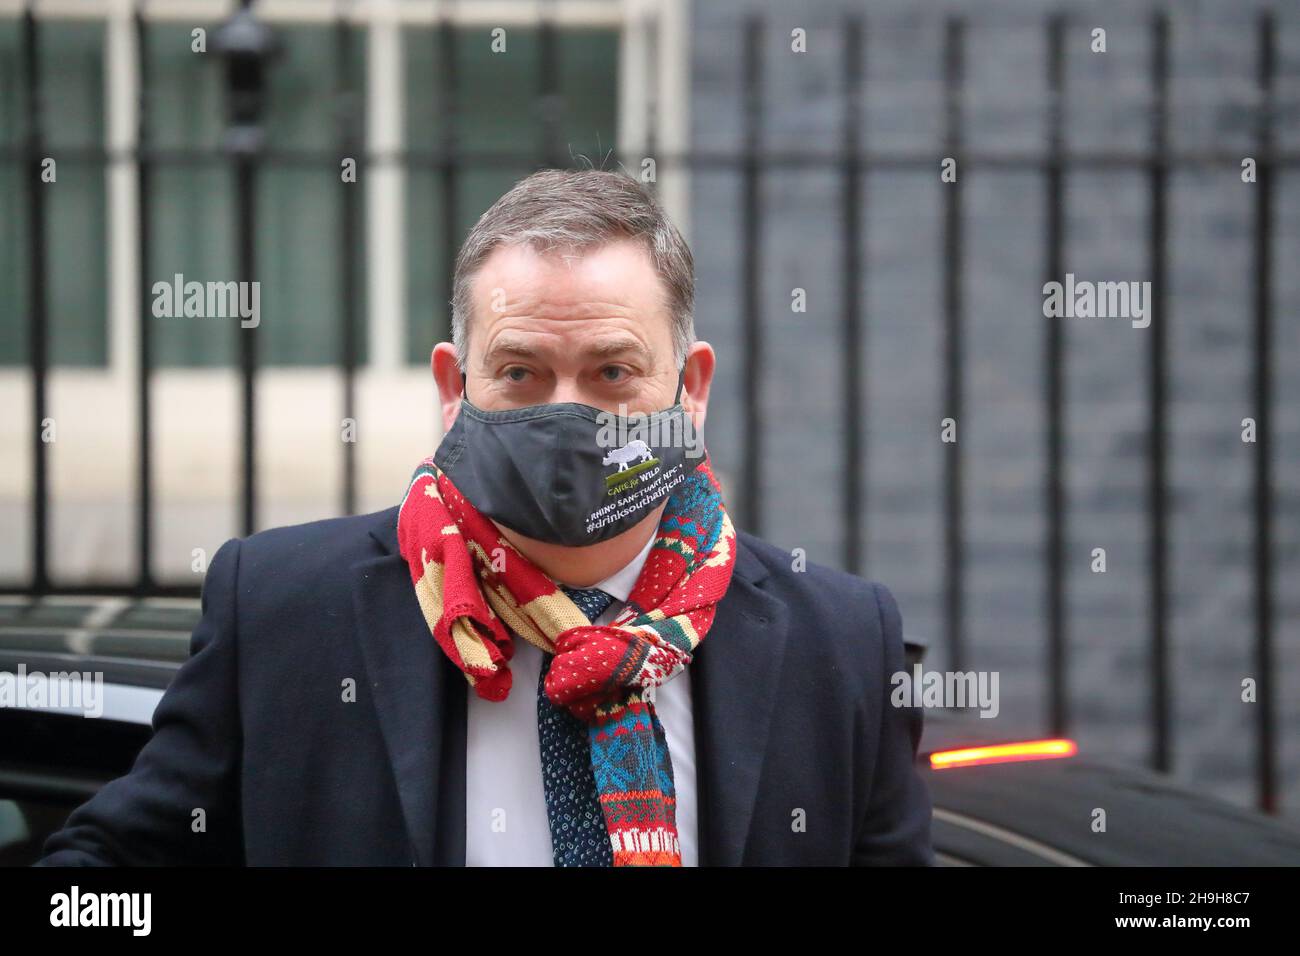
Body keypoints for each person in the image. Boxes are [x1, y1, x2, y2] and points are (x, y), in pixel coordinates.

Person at [37, 169, 933, 866]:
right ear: (451, 388)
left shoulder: (841, 641)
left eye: (613, 372)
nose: (567, 415)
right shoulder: (281, 612)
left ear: (690, 391)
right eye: (520, 373)